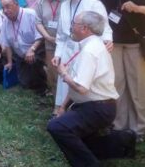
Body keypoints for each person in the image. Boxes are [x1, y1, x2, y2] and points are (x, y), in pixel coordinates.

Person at [47, 11, 123, 166]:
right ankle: (101, 151)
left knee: (56, 127)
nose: (71, 27)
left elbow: (81, 88)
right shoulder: (91, 45)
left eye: (74, 24)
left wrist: (63, 73)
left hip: (98, 108)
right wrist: (62, 107)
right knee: (74, 132)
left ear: (84, 28)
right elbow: (78, 83)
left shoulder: (90, 51)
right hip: (97, 106)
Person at [99, 0, 145, 141]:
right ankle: (119, 125)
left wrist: (137, 8)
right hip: (113, 43)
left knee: (138, 87)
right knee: (116, 85)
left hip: (138, 43)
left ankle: (139, 129)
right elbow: (100, 9)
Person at [53, 0, 112, 115]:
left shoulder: (94, 4)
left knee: (82, 84)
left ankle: (81, 116)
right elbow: (61, 35)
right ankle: (61, 111)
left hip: (86, 51)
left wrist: (107, 40)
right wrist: (57, 54)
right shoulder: (65, 5)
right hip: (68, 50)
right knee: (65, 83)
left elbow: (105, 28)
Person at [34, 0, 67, 104]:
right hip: (50, 43)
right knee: (53, 75)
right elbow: (38, 21)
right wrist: (47, 37)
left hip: (68, 43)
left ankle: (67, 105)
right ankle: (56, 103)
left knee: (66, 74)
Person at [0, 0, 46, 93]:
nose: (5, 11)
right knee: (24, 83)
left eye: (8, 7)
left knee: (36, 81)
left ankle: (44, 80)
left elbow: (41, 36)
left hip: (37, 50)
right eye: (3, 8)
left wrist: (32, 49)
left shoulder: (31, 14)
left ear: (17, 4)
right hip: (20, 55)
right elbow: (7, 44)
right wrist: (10, 62)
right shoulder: (5, 21)